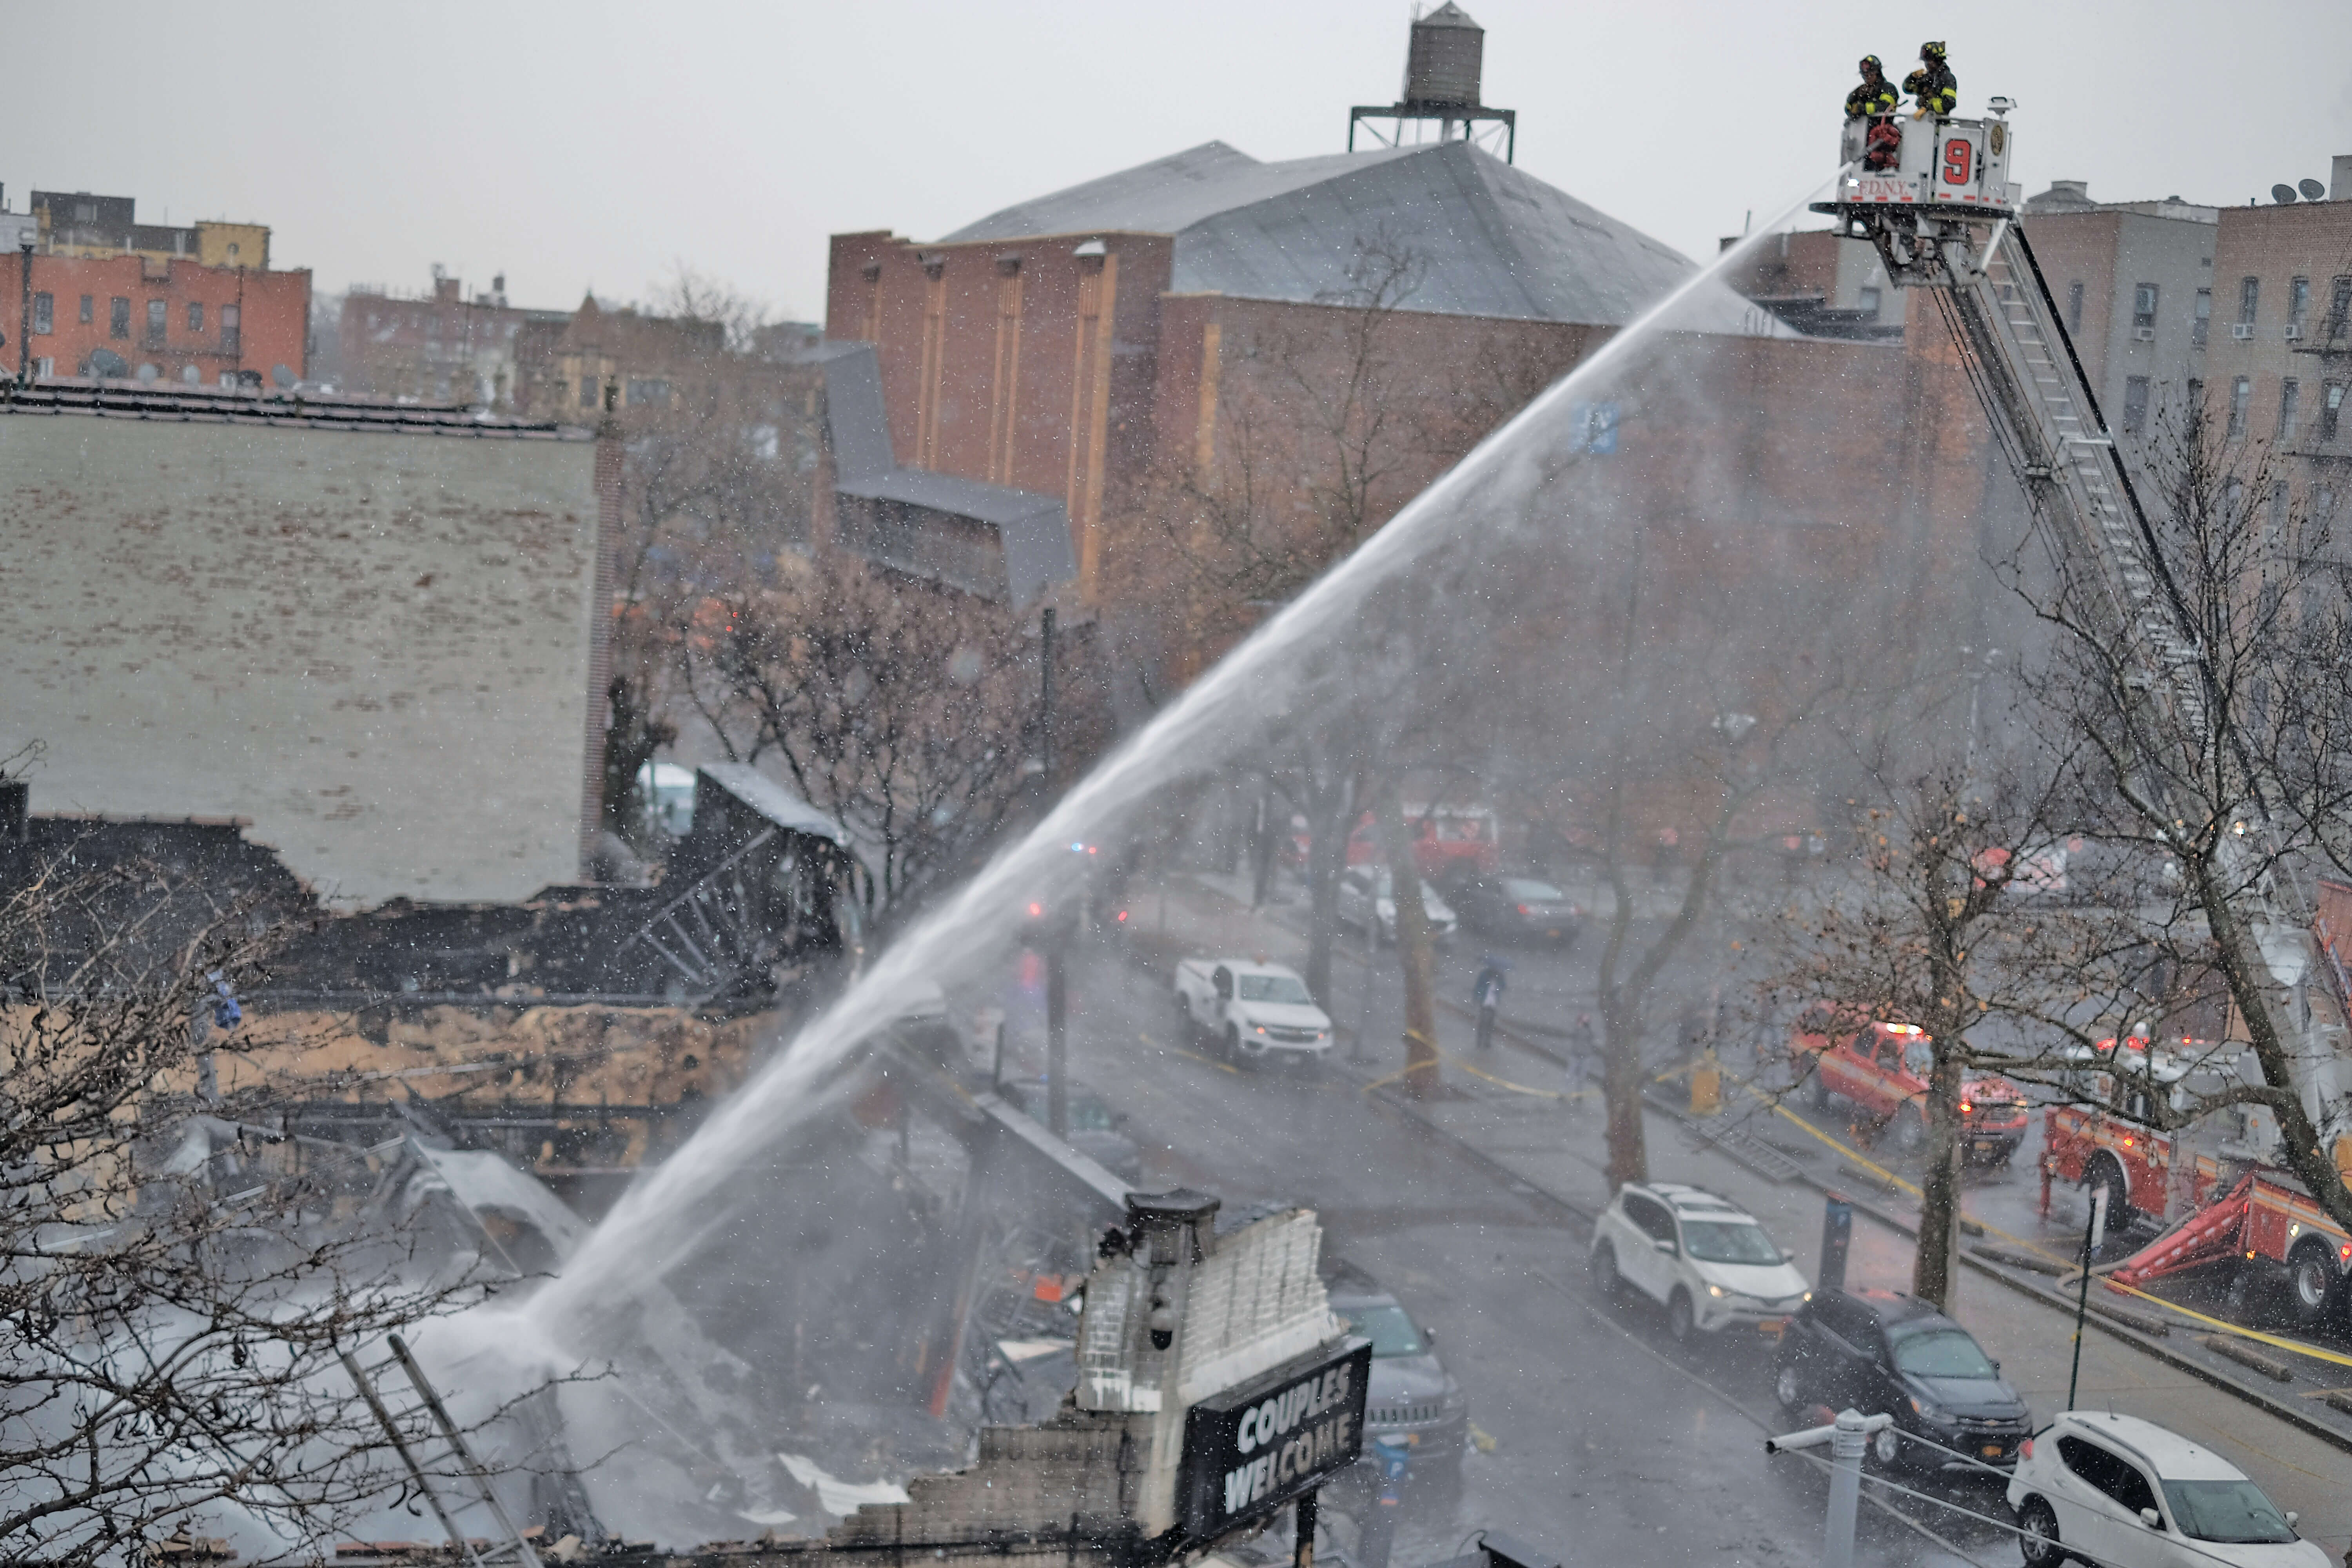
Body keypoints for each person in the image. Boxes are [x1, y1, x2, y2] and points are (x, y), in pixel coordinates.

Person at [1903, 41, 1956, 120]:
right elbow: (1908, 89)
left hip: (1940, 127)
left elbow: (1949, 104)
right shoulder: (1928, 78)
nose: (1926, 65)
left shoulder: (1947, 78)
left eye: (1929, 61)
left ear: (1937, 60)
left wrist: (1927, 108)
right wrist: (1913, 77)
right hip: (1925, 125)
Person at [1472, 955, 1507, 1051]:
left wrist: (1500, 982)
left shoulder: (1500, 977)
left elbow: (1504, 987)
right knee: (1483, 1021)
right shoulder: (1484, 975)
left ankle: (1487, 1041)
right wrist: (1477, 997)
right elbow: (1478, 986)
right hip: (1484, 1001)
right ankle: (1480, 1040)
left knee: (1490, 1023)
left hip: (1493, 1002)